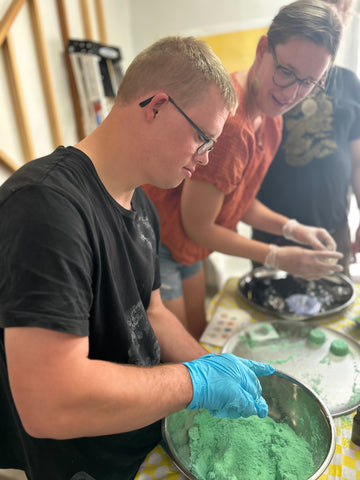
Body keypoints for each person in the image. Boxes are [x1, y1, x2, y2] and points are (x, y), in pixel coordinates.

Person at [0, 36, 275, 480]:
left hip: (146, 433)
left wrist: (213, 365)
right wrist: (193, 384)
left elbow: (151, 312)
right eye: (202, 139)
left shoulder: (143, 204)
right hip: (87, 460)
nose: (204, 160)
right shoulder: (44, 206)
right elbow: (49, 403)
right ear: (157, 106)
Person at [142, 0, 344, 340]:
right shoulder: (233, 127)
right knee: (180, 352)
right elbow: (200, 226)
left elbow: (237, 199)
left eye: (309, 81)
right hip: (158, 238)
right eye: (286, 72)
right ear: (263, 48)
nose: (292, 92)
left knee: (199, 332)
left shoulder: (271, 119)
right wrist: (277, 256)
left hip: (183, 238)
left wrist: (293, 229)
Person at [253, 0, 360, 277]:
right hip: (273, 232)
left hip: (332, 231)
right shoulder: (270, 79)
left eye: (338, 7)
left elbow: (358, 161)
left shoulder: (349, 83)